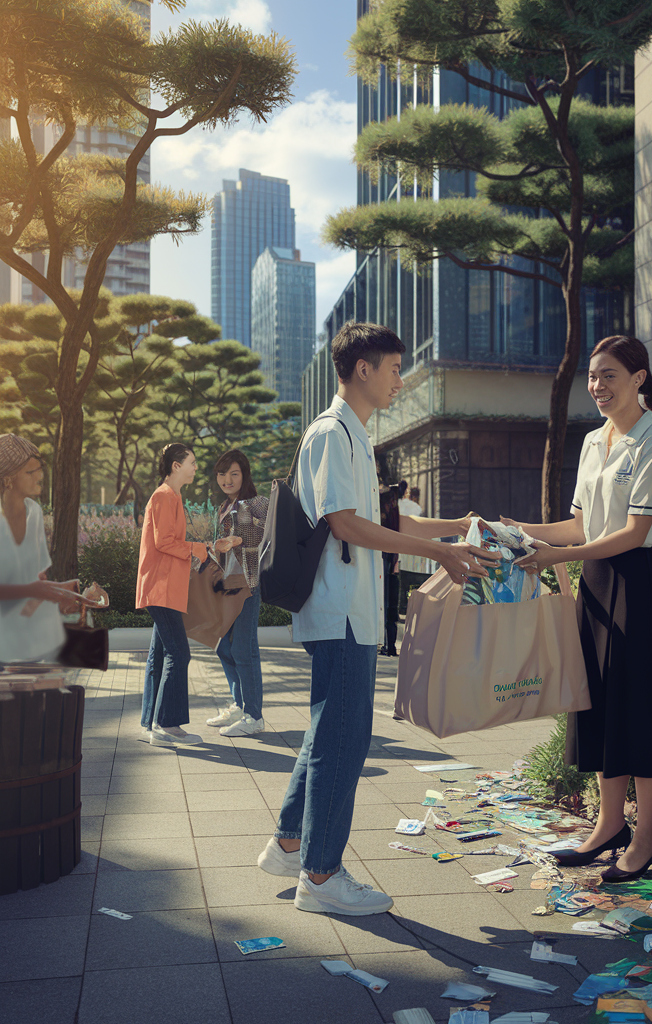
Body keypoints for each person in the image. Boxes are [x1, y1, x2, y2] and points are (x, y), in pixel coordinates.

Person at [255, 321, 496, 917]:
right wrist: (440, 553)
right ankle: (321, 874)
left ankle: (291, 845)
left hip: (351, 613)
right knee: (343, 739)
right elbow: (345, 524)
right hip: (341, 612)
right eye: (394, 367)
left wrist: (455, 533)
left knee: (326, 733)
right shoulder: (334, 433)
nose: (401, 379)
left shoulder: (355, 435)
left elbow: (388, 522)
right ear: (361, 368)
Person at [512, 334, 652, 884]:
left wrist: (560, 554)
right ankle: (609, 825)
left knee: (641, 711)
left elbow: (632, 535)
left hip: (636, 587)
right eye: (592, 376)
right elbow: (580, 527)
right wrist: (514, 531)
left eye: (609, 375)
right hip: (596, 584)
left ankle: (648, 835)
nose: (597, 387)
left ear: (639, 378)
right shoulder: (592, 443)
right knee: (603, 706)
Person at [136, 443, 241, 747]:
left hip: (164, 586)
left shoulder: (171, 496)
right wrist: (204, 548)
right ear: (175, 466)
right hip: (160, 587)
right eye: (192, 462)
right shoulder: (164, 496)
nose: (196, 467)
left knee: (159, 657)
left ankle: (152, 724)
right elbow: (165, 542)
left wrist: (207, 548)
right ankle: (168, 725)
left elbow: (168, 542)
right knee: (179, 653)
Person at [0, 435, 92, 664]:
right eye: (30, 472)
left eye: (39, 469)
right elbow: (32, 587)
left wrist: (64, 593)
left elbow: (38, 575)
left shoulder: (34, 513)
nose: (40, 476)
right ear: (8, 479)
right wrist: (35, 590)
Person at [206, 449, 269, 737]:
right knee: (224, 648)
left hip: (247, 584)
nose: (227, 479)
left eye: (233, 473)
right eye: (222, 474)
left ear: (244, 474)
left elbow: (268, 535)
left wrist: (238, 538)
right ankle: (240, 705)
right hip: (225, 586)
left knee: (244, 649)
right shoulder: (223, 506)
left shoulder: (257, 503)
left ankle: (254, 716)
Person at [379, 483, 400, 657]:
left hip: (385, 561)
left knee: (387, 607)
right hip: (391, 562)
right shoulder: (394, 515)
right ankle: (389, 645)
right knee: (390, 608)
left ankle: (388, 645)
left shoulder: (384, 516)